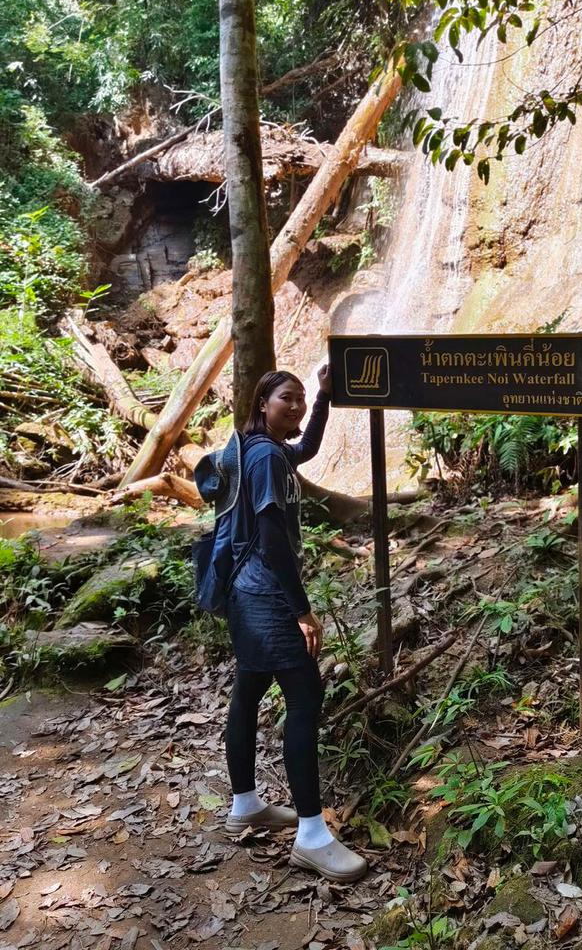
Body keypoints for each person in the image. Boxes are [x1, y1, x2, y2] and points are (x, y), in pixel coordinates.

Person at [222, 365, 367, 883]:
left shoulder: (268, 452)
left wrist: (325, 396)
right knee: (305, 698)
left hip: (245, 594)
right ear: (263, 402)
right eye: (289, 398)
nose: (297, 407)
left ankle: (245, 803)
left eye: (301, 400)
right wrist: (302, 609)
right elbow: (272, 540)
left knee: (249, 688)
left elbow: (305, 451)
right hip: (266, 598)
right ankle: (312, 836)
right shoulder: (263, 458)